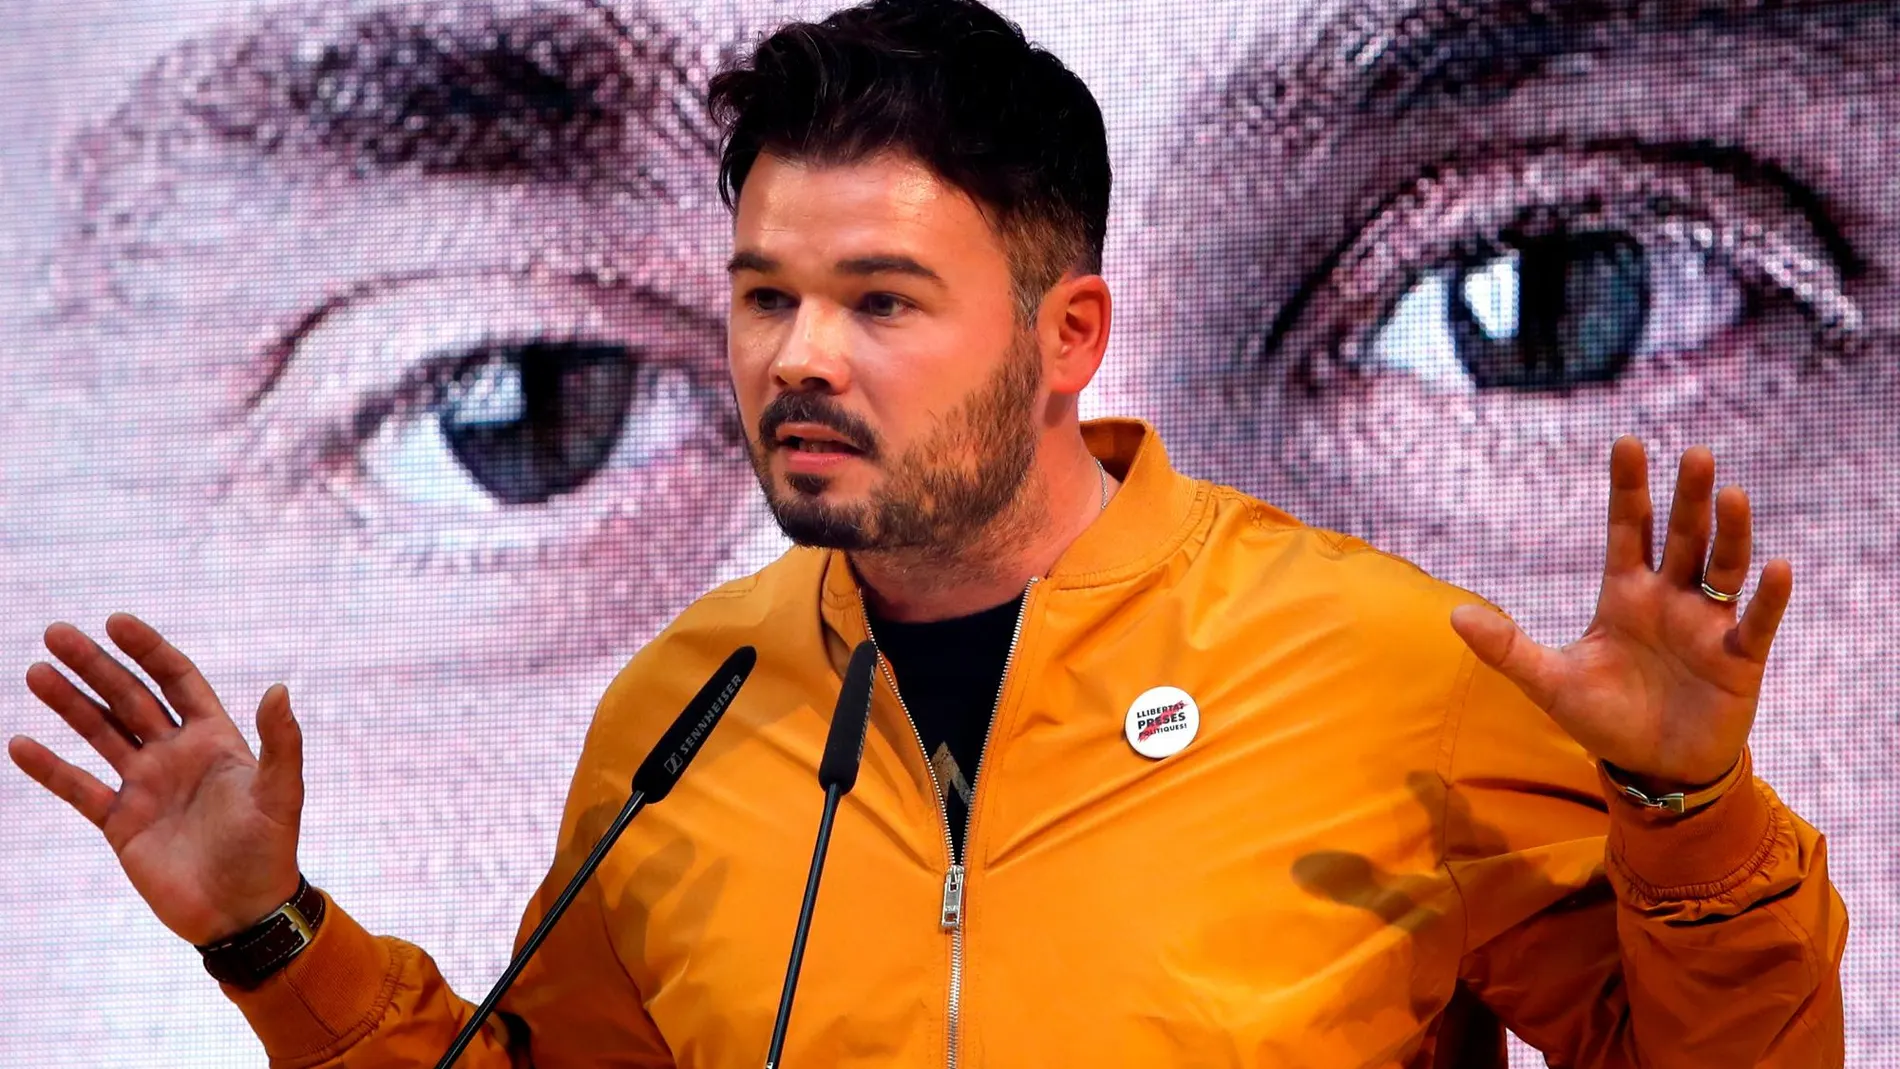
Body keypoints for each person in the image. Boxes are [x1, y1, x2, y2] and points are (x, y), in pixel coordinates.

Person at [8, 0, 1847, 1065]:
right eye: (763, 297)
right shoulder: (686, 705)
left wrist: (1686, 815)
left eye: (882, 301)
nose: (798, 360)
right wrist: (270, 938)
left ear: (1068, 338)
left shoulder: (1387, 664)